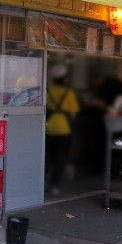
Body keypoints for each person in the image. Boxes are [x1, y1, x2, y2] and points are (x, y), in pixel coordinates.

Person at [45, 63, 79, 195]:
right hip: (64, 129)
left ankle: (42, 180)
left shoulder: (50, 91)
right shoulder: (69, 93)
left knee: (48, 155)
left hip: (50, 127)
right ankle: (54, 185)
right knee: (60, 158)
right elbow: (73, 114)